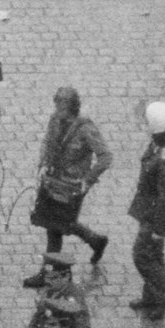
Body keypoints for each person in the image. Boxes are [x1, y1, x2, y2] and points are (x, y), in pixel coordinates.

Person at [28, 87, 113, 278]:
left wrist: (88, 180)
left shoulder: (85, 128)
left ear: (73, 107)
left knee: (55, 228)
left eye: (63, 105)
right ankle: (96, 241)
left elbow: (105, 156)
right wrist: (42, 162)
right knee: (60, 224)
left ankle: (48, 273)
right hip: (52, 182)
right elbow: (48, 142)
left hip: (71, 187)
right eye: (57, 104)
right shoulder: (55, 119)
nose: (58, 109)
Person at [127, 102, 165, 318]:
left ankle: (163, 294)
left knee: (141, 255)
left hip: (157, 214)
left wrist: (159, 229)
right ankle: (151, 297)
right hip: (150, 209)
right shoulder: (161, 143)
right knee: (154, 253)